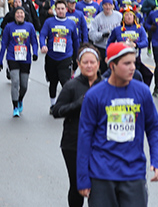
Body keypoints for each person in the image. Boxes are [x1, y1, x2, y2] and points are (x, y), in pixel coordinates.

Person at [76, 42, 158, 205]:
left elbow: (153, 128)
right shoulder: (94, 95)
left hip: (133, 174)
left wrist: (157, 161)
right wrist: (82, 178)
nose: (133, 68)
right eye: (127, 63)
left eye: (134, 63)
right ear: (112, 65)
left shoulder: (142, 92)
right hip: (101, 175)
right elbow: (84, 137)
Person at [52, 44, 102, 207]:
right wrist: (78, 104)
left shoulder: (106, 85)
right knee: (77, 185)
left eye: (92, 62)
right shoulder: (71, 86)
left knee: (98, 186)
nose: (89, 65)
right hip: (73, 143)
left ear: (98, 64)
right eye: (85, 62)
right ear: (79, 64)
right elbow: (57, 111)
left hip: (100, 143)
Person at [0, 6, 38, 116]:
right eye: (17, 13)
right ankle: (15, 106)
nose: (19, 15)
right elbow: (4, 44)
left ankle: (20, 99)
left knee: (24, 85)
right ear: (14, 15)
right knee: (15, 81)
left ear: (24, 15)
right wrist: (0, 60)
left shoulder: (29, 26)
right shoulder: (9, 27)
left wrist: (35, 53)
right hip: (12, 57)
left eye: (21, 13)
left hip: (25, 58)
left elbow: (34, 42)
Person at [41, 0, 81, 108]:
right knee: (53, 82)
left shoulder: (71, 23)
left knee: (65, 82)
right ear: (55, 10)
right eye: (58, 9)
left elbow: (76, 41)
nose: (60, 11)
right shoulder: (49, 22)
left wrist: (77, 56)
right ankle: (53, 105)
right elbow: (42, 35)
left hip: (66, 57)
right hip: (52, 57)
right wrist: (42, 45)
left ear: (66, 9)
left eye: (62, 9)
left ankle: (67, 105)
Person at [87, 0, 122, 72]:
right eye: (105, 5)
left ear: (113, 6)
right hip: (101, 47)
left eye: (110, 5)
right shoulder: (98, 18)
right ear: (102, 6)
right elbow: (91, 34)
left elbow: (124, 29)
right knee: (102, 71)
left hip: (115, 47)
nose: (108, 7)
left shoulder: (119, 16)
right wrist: (101, 35)